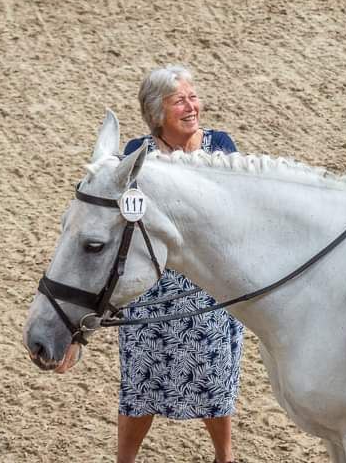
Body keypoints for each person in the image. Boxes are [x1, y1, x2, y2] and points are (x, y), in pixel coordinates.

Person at [116, 65, 243, 463]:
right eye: (179, 101)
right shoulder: (138, 154)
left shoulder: (221, 147)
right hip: (152, 288)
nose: (191, 106)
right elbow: (126, 214)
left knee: (214, 381)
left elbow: (237, 210)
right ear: (158, 113)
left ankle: (224, 456)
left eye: (193, 97)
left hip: (207, 287)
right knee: (139, 384)